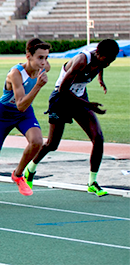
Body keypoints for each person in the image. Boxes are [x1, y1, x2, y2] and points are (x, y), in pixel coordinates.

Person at [25, 39, 119, 197]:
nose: (108, 63)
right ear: (98, 53)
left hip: (80, 97)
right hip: (61, 99)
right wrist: (89, 105)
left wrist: (101, 79)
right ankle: (30, 169)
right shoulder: (81, 61)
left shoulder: (102, 61)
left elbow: (100, 66)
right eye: (107, 60)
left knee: (98, 138)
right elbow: (63, 90)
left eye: (112, 60)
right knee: (52, 144)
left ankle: (92, 182)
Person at [0, 39, 51, 205]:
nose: (44, 63)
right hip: (4, 114)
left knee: (37, 142)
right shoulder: (16, 74)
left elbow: (24, 108)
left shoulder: (43, 67)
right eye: (40, 58)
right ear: (28, 56)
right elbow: (20, 104)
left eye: (46, 58)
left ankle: (18, 174)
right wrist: (38, 86)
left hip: (25, 113)